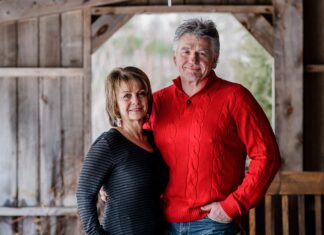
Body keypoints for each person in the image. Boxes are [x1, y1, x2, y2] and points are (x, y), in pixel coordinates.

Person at [101, 18, 281, 234]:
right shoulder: (157, 102)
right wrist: (109, 178)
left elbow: (267, 156)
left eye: (202, 53)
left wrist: (233, 205)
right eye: (185, 51)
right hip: (159, 221)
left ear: (215, 59)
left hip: (212, 224)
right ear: (174, 57)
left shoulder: (236, 98)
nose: (193, 59)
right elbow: (134, 150)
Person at [76, 66, 168, 235]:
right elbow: (84, 194)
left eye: (141, 93)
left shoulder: (153, 140)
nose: (136, 101)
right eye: (127, 96)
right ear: (115, 105)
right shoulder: (110, 143)